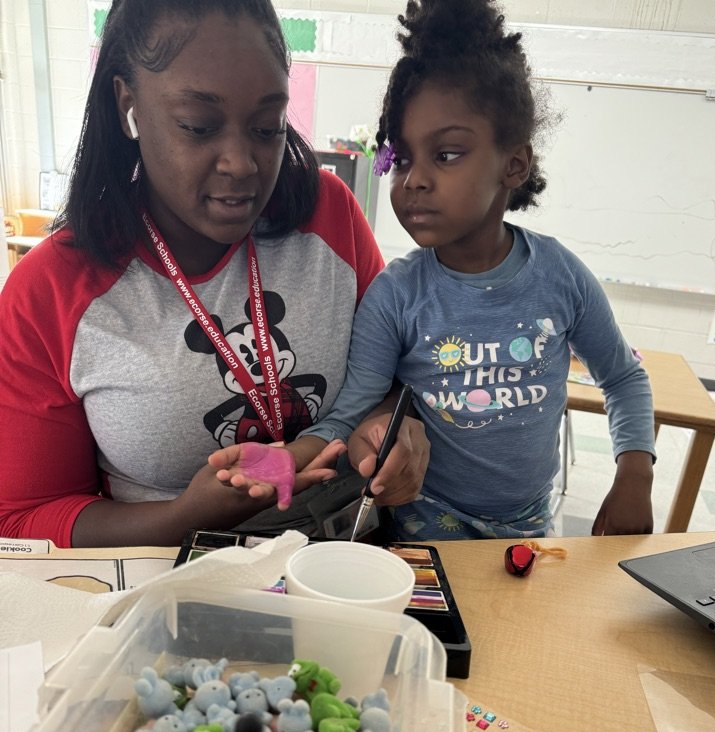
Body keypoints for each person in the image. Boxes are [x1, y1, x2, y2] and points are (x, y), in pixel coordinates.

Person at [215, 0, 656, 541]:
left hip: (529, 524)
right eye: (401, 160)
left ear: (514, 164)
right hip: (421, 526)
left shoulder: (560, 277)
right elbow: (349, 415)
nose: (415, 180)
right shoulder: (394, 296)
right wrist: (288, 456)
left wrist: (635, 474)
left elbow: (623, 377)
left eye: (446, 155)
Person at [0, 0, 428, 548]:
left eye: (268, 127)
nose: (241, 164)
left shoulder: (329, 216)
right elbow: (22, 520)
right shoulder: (53, 288)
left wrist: (394, 430)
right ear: (128, 105)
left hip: (341, 563)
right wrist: (184, 516)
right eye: (198, 127)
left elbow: (390, 378)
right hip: (170, 581)